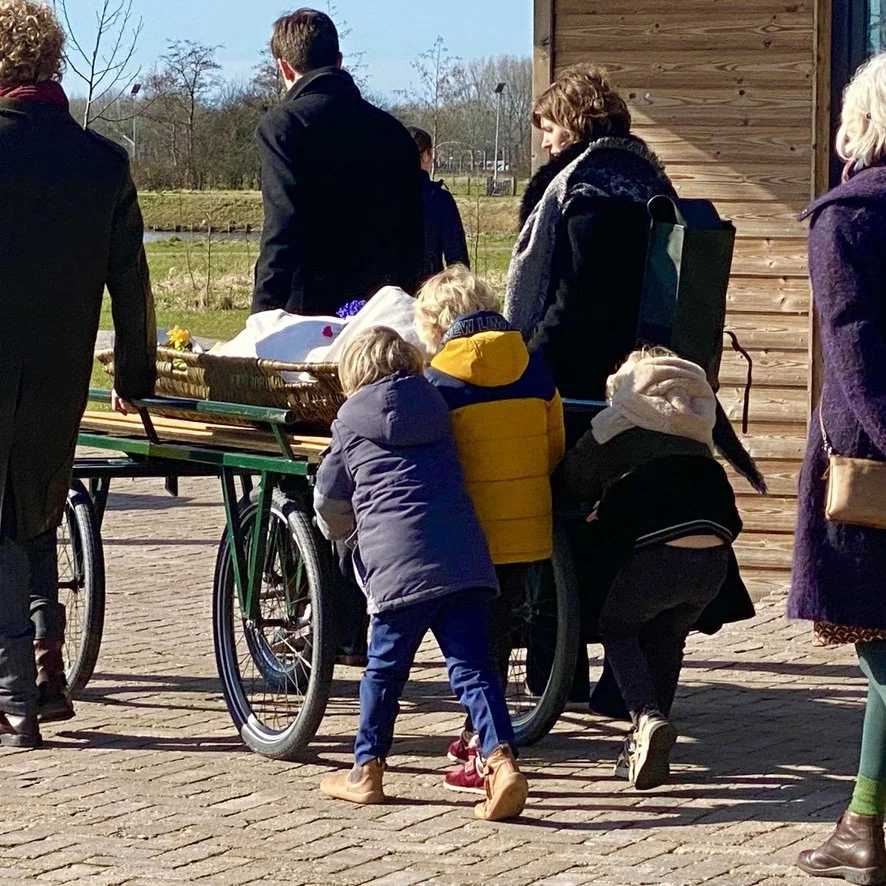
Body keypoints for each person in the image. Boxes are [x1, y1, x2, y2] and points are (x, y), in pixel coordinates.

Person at [0, 0, 156, 748]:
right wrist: (136, 373)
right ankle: (46, 660)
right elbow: (132, 283)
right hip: (59, 373)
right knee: (34, 512)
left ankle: (14, 695)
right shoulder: (103, 163)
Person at [313, 327, 528, 822]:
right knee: (474, 668)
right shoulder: (439, 407)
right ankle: (502, 762)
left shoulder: (349, 422)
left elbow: (329, 498)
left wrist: (345, 536)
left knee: (384, 671)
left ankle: (366, 771)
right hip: (463, 558)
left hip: (397, 568)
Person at [556, 349, 742, 789]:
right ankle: (650, 739)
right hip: (713, 557)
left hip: (659, 554)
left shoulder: (618, 422)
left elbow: (573, 480)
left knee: (618, 626)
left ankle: (645, 718)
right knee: (668, 635)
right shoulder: (698, 427)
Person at [789, 52, 886, 886]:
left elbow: (856, 358)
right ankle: (861, 823)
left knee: (882, 652)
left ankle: (861, 828)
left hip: (870, 468)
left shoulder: (846, 217)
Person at [416, 266, 565, 792]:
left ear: (436, 324)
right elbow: (555, 446)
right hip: (529, 529)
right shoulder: (534, 368)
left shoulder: (438, 383)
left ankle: (485, 748)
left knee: (475, 645)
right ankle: (474, 729)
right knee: (499, 629)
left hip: (470, 531)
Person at [252, 8, 424, 317]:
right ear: (339, 61)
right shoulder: (394, 132)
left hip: (307, 315)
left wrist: (263, 315)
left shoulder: (284, 127)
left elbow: (282, 225)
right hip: (383, 312)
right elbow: (413, 237)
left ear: (284, 68)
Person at [407, 126, 470, 279]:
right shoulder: (440, 199)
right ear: (426, 156)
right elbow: (457, 261)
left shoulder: (381, 197)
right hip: (428, 293)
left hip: (385, 297)